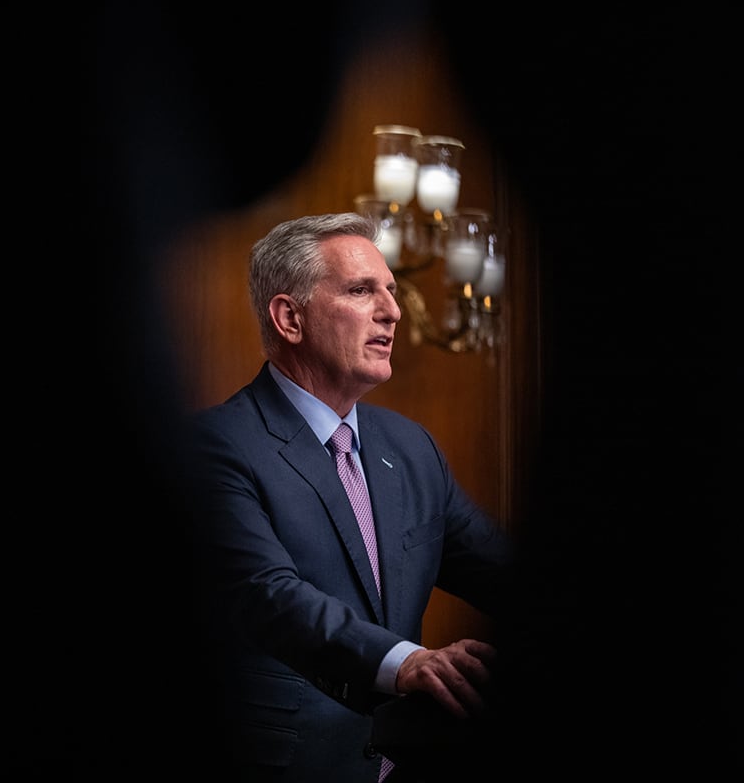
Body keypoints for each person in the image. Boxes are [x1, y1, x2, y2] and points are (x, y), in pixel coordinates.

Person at [185, 212, 517, 782]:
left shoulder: (411, 447)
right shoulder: (212, 447)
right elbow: (271, 595)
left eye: (391, 290)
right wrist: (408, 661)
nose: (391, 310)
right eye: (362, 290)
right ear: (290, 318)